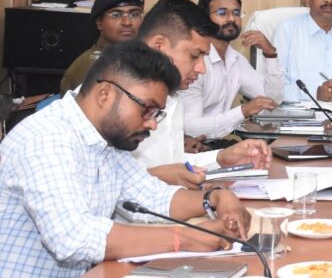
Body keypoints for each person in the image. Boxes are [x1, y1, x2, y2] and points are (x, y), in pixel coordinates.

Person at [0, 41, 251, 276]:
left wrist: (215, 198)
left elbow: (152, 197)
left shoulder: (105, 141)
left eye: (157, 113)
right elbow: (73, 237)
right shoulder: (47, 139)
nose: (152, 124)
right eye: (147, 109)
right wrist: (184, 238)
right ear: (105, 94)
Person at [132, 0, 272, 189]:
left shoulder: (171, 97)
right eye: (194, 56)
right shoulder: (121, 98)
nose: (201, 69)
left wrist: (222, 157)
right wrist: (160, 177)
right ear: (159, 46)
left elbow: (174, 162)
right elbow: (112, 185)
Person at [179, 0, 281, 139]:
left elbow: (272, 100)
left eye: (236, 13)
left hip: (217, 144)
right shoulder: (195, 63)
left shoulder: (236, 59)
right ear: (204, 18)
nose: (231, 19)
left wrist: (270, 54)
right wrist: (243, 111)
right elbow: (189, 128)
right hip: (188, 147)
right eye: (222, 12)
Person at [60, 0, 145, 93]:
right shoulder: (90, 67)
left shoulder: (146, 58)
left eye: (135, 14)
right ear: (99, 22)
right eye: (116, 15)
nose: (127, 22)